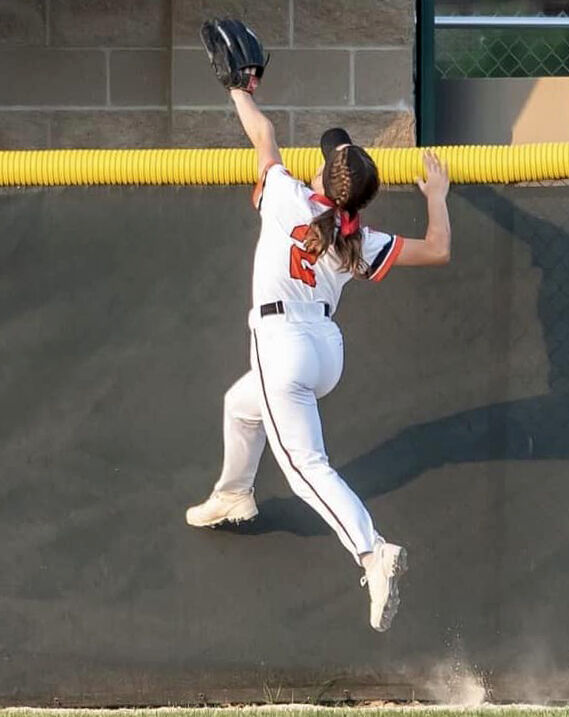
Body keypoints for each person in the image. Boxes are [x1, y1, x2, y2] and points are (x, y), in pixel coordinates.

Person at [186, 19, 452, 632]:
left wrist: (238, 87)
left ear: (323, 179)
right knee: (239, 406)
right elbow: (438, 249)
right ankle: (234, 492)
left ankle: (371, 551)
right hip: (324, 351)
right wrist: (436, 194)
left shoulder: (284, 195)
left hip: (282, 347)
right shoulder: (360, 238)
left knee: (308, 468)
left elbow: (265, 133)